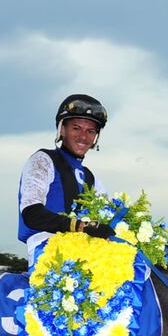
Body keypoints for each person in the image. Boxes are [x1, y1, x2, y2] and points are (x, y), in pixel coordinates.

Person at [17, 94, 116, 262]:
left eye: (90, 131)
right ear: (62, 129)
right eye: (76, 128)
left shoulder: (91, 179)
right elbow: (31, 213)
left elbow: (109, 221)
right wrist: (81, 227)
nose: (83, 137)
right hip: (47, 252)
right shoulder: (42, 160)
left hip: (87, 252)